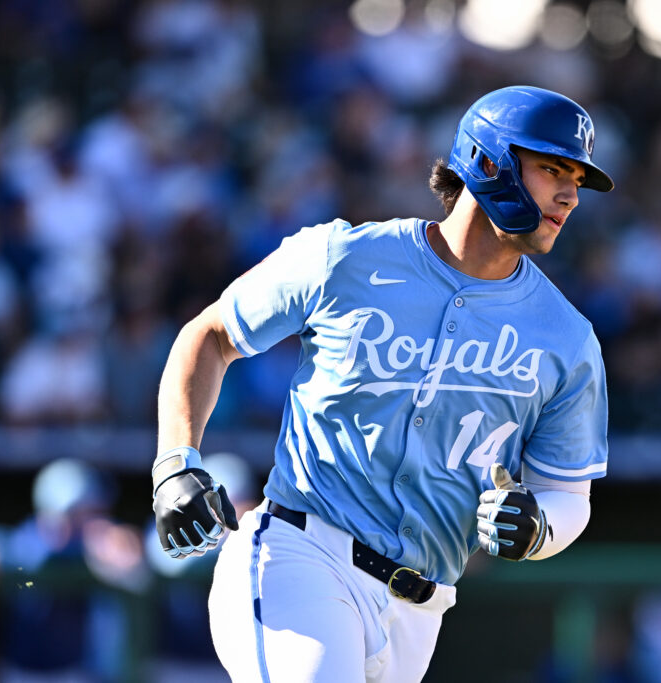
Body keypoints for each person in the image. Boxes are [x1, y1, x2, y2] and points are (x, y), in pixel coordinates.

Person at [150, 85, 613, 682]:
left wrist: (538, 526)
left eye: (577, 177)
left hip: (421, 609)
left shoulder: (568, 338)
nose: (571, 195)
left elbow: (568, 498)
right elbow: (211, 335)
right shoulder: (344, 256)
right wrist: (174, 463)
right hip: (302, 555)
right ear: (488, 159)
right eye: (553, 168)